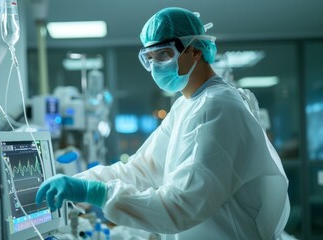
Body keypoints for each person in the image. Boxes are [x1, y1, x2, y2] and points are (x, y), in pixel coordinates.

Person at [36, 7, 290, 239]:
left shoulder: (218, 107)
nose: (156, 65)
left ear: (195, 50)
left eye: (164, 54)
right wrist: (79, 184)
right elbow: (141, 169)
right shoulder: (187, 104)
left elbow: (180, 207)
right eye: (150, 57)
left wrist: (96, 194)